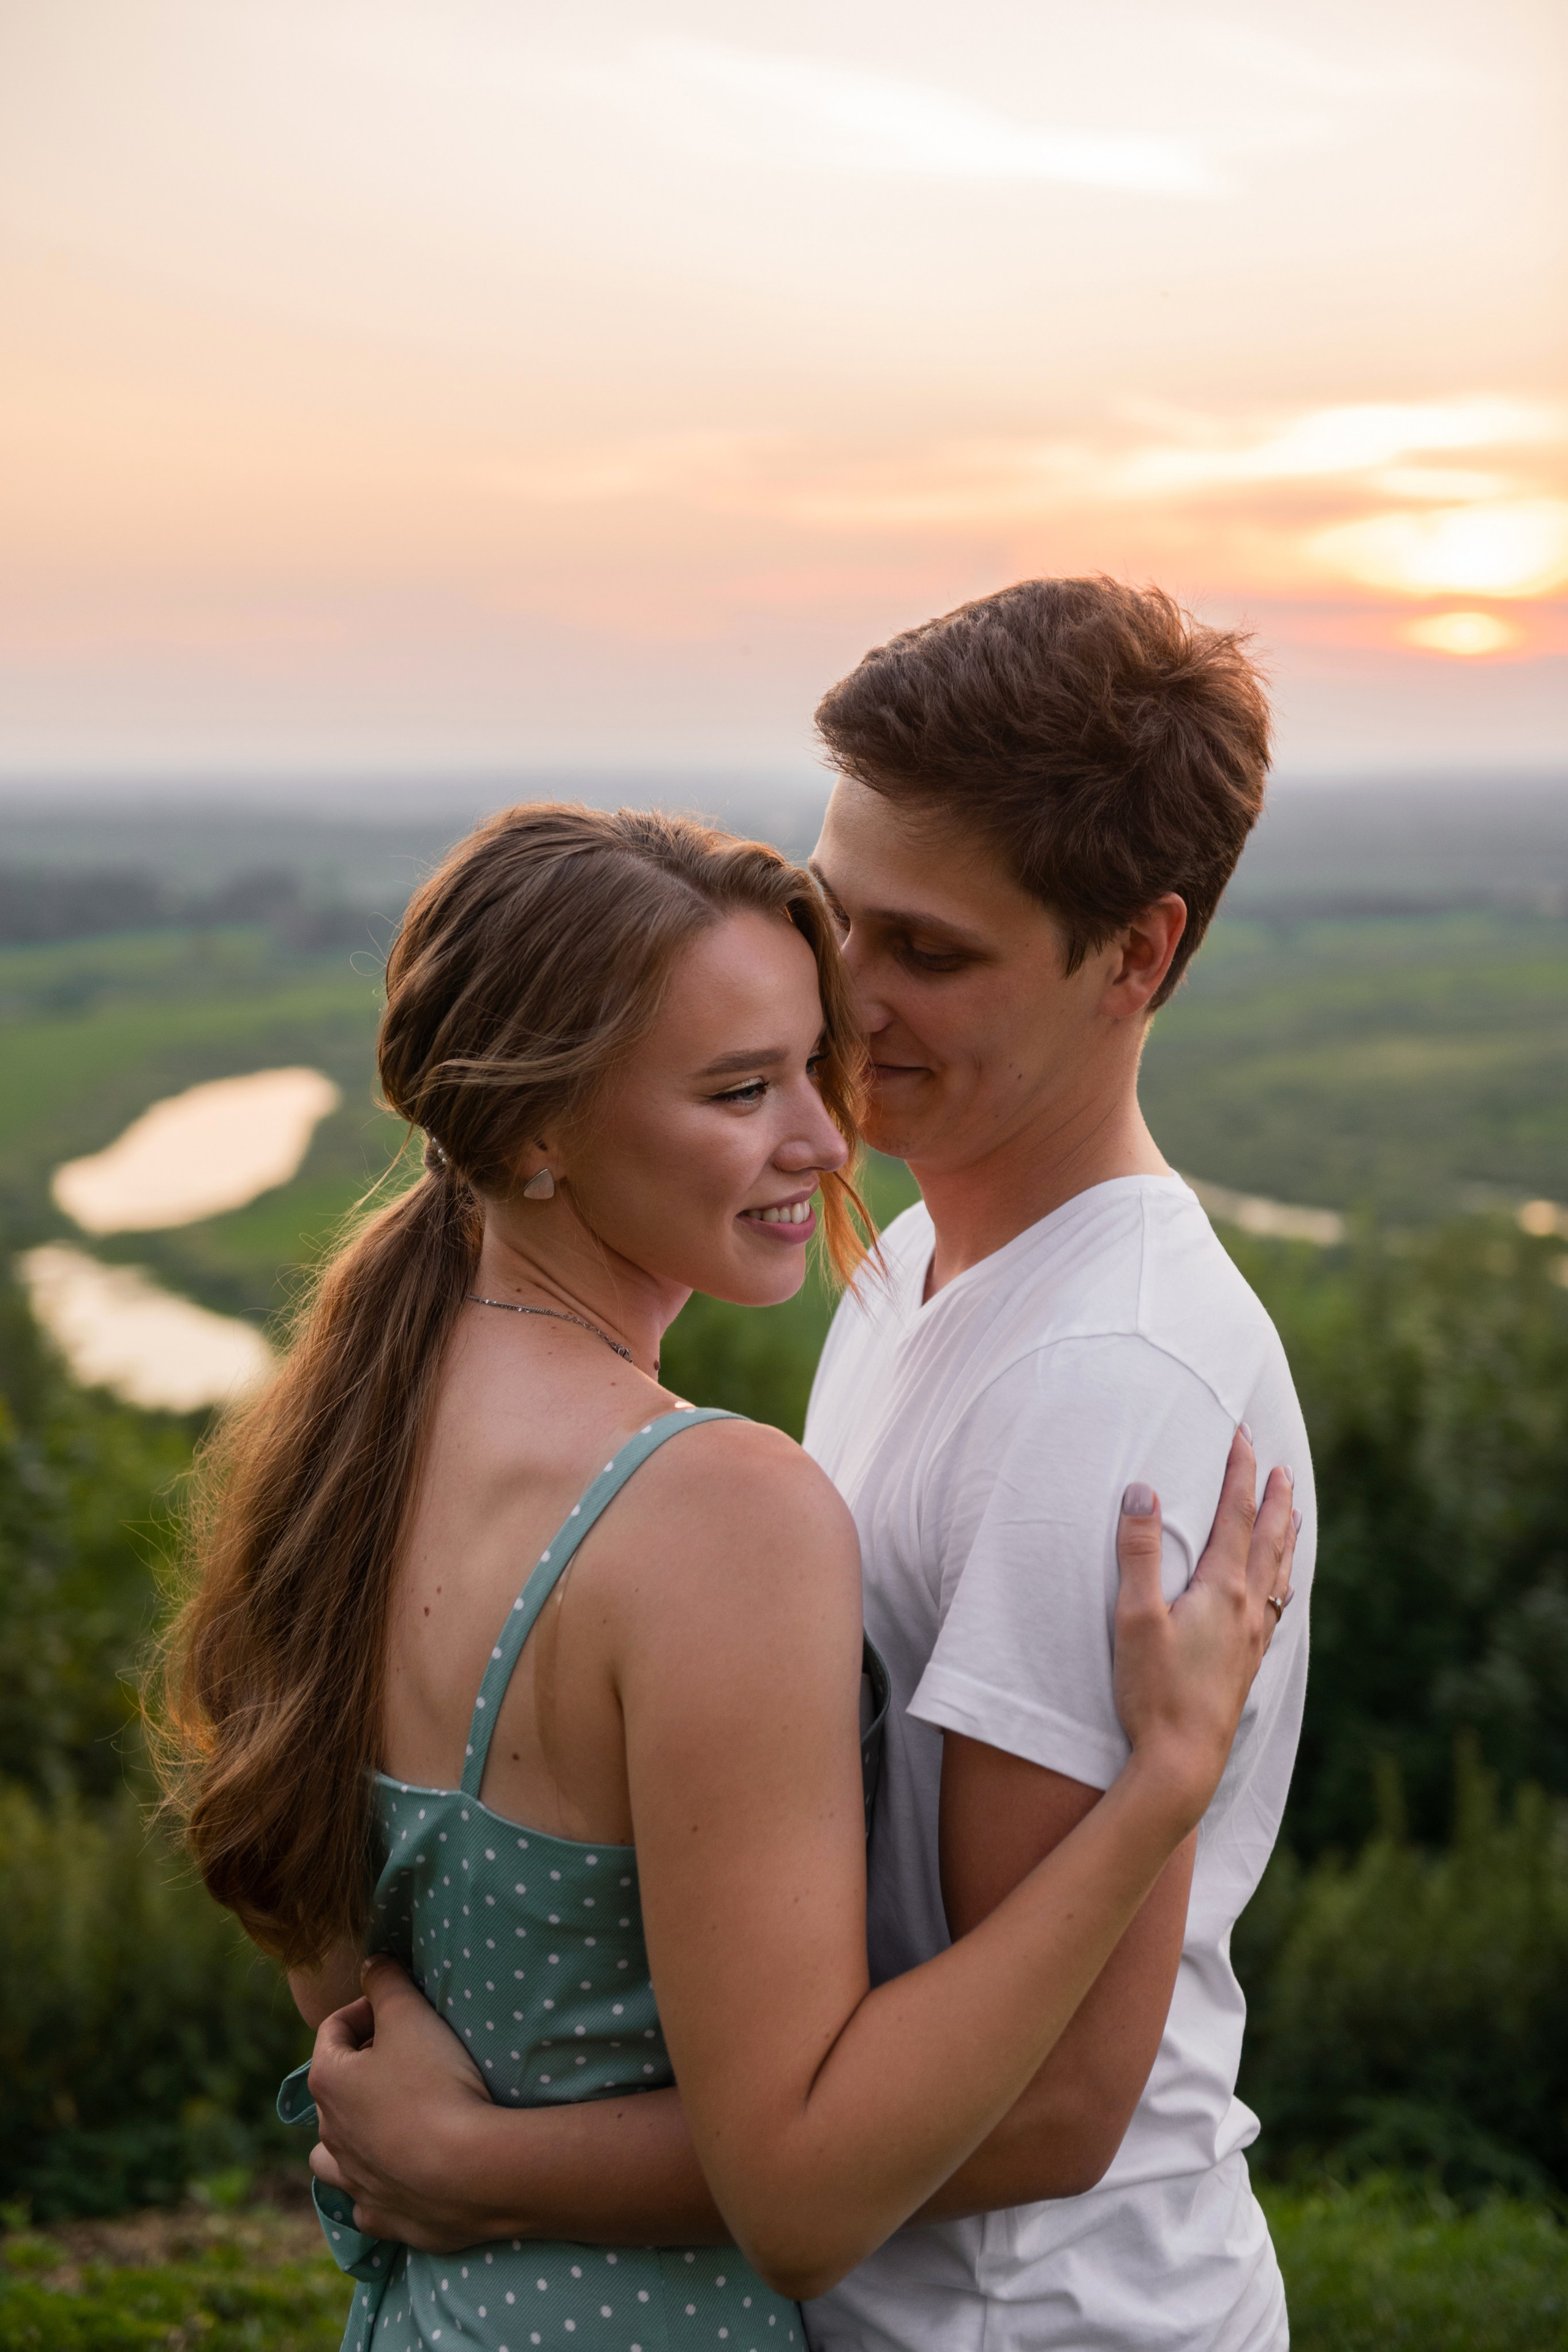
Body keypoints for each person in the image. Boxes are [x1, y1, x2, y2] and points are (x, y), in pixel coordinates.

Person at [295, 579, 1315, 2352]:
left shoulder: (1111, 1384)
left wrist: (494, 2161)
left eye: (932, 953)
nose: (852, 998)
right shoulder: (910, 1267)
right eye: (843, 922)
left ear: (1137, 955)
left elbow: (1070, 2102)